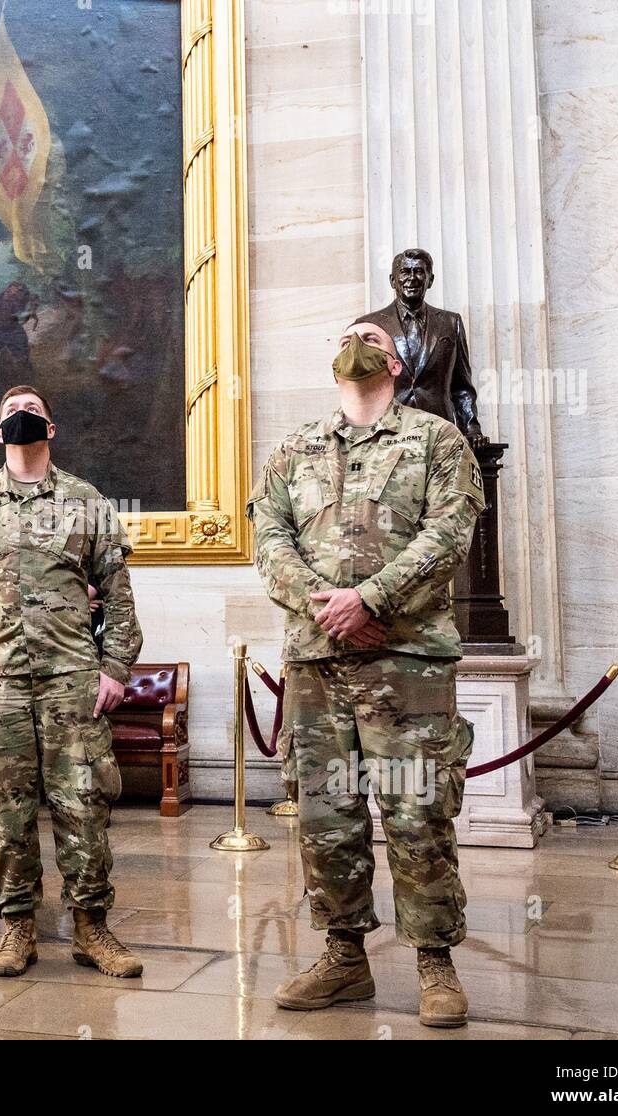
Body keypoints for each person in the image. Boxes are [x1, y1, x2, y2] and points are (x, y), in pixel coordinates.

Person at [247, 321, 485, 1028]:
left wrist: (370, 600)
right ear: (333, 361)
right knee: (327, 816)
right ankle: (345, 958)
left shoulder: (439, 441)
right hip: (318, 663)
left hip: (406, 660)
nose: (358, 340)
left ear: (395, 359)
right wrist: (327, 610)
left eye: (371, 335)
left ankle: (435, 963)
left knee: (418, 812)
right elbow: (270, 541)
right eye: (347, 334)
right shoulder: (292, 450)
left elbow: (448, 534)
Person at [0, 385, 144, 979]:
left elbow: (119, 598)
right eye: (12, 414)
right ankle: (16, 927)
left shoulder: (86, 501)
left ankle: (92, 927)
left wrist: (115, 668)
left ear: (52, 427)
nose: (22, 419)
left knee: (84, 806)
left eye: (34, 412)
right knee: (4, 809)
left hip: (72, 680)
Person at [354, 248, 485, 444]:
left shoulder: (451, 323)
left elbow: (461, 386)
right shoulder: (368, 326)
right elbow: (358, 386)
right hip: (385, 435)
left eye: (420, 272)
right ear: (393, 280)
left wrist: (471, 428)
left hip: (439, 433)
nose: (412, 278)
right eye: (405, 272)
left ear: (430, 280)